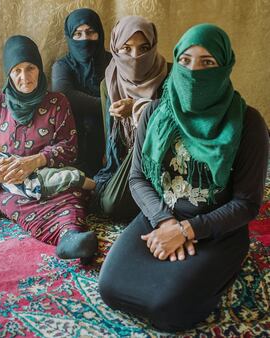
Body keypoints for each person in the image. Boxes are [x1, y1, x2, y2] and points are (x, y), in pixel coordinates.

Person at [98, 24, 269, 331]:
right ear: (175, 61)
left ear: (225, 66)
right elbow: (137, 178)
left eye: (207, 63)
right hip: (160, 218)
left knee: (169, 311)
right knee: (110, 289)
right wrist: (166, 223)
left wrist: (188, 230)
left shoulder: (248, 123)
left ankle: (220, 270)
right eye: (186, 60)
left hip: (218, 229)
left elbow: (246, 203)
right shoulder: (155, 113)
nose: (193, 71)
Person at [0, 35, 98, 262]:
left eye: (31, 68)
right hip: (13, 188)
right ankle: (64, 238)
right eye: (17, 70)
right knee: (10, 202)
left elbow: (69, 148)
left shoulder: (57, 102)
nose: (25, 77)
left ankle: (72, 236)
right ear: (9, 74)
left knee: (71, 192)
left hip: (50, 175)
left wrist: (34, 161)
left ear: (39, 68)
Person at [93, 16, 169, 220]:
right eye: (126, 48)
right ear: (115, 48)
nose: (135, 56)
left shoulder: (170, 76)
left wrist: (137, 108)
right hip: (129, 160)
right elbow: (110, 138)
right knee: (108, 204)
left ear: (153, 46)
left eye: (144, 48)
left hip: (162, 156)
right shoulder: (108, 83)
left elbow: (175, 124)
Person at [51, 8, 111, 177]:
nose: (85, 39)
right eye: (78, 34)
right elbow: (65, 96)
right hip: (76, 144)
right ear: (70, 37)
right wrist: (108, 104)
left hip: (111, 138)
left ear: (100, 33)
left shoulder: (113, 62)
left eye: (91, 32)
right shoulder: (62, 66)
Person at [0, 131, 96, 199]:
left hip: (37, 177)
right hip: (37, 185)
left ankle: (91, 189)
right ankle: (97, 187)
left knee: (68, 170)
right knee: (71, 176)